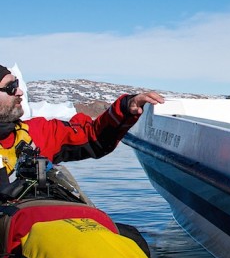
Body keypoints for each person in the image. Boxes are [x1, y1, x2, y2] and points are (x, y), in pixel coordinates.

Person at [0, 64, 164, 184]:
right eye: (11, 87)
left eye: (18, 85)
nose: (19, 92)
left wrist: (126, 107)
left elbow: (92, 136)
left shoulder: (37, 133)